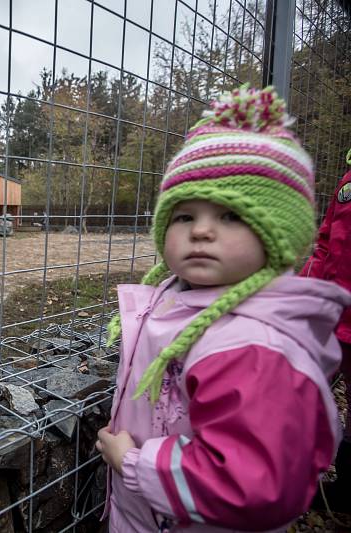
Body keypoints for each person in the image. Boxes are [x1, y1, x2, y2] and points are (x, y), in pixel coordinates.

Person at [95, 86, 351, 532]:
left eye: (231, 215)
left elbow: (252, 485)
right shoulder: (178, 297)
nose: (202, 232)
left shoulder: (253, 348)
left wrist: (134, 464)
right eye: (184, 216)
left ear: (279, 236)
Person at [299, 147, 351, 514]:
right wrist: (303, 293)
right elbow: (326, 243)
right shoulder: (349, 176)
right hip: (335, 315)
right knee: (298, 387)